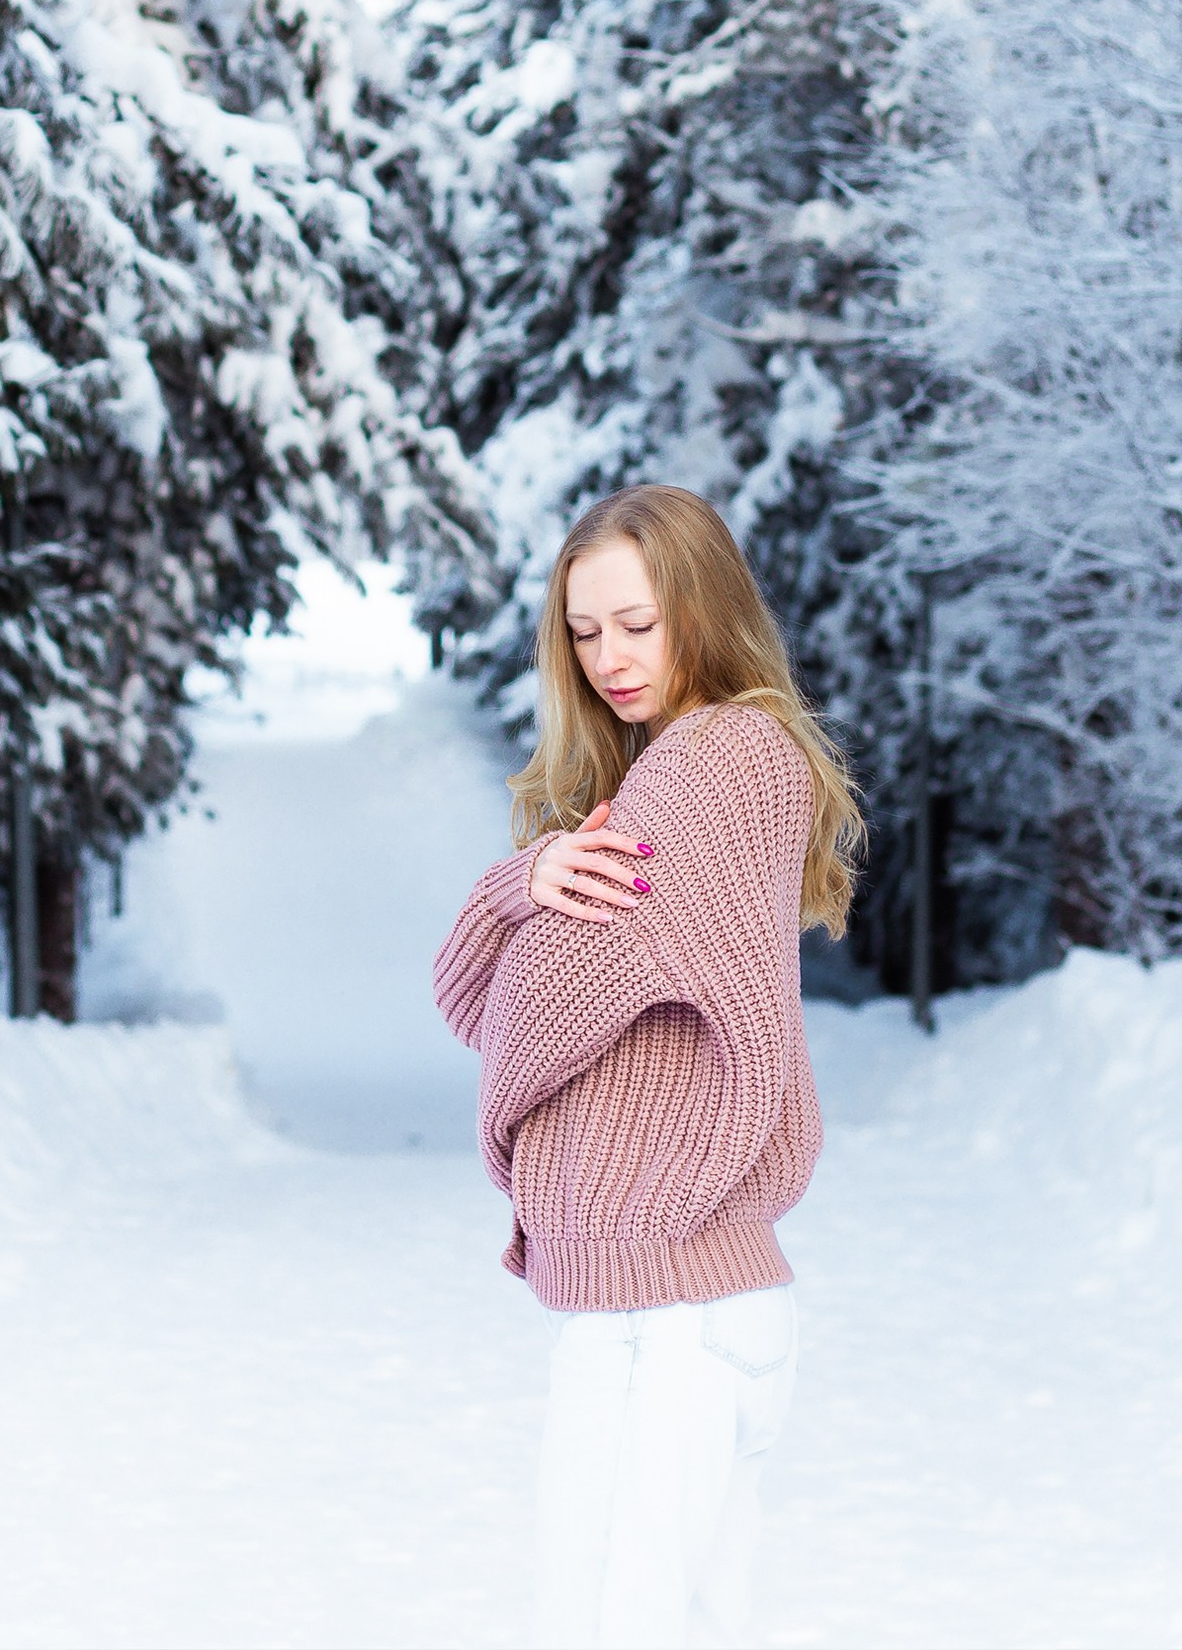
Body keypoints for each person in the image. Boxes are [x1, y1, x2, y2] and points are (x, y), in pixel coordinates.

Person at [431, 484, 863, 1650]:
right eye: (582, 632)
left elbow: (526, 1002)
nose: (609, 658)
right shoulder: (693, 764)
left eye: (636, 622)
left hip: (667, 1313)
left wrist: (522, 922)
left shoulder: (710, 760)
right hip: (687, 1301)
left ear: (701, 608)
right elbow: (479, 998)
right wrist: (521, 886)